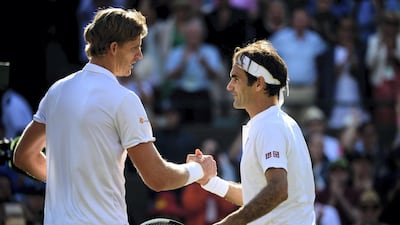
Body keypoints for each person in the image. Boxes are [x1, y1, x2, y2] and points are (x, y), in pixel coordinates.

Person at [12, 7, 217, 225]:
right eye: (134, 48)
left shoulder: (56, 91)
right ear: (113, 48)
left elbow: (23, 156)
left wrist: (67, 182)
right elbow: (158, 178)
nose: (139, 56)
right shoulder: (124, 99)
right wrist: (199, 170)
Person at [191, 39, 316, 224]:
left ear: (259, 84)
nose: (229, 86)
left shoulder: (270, 126)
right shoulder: (273, 123)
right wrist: (211, 181)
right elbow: (255, 197)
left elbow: (277, 190)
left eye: (236, 78)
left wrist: (230, 223)